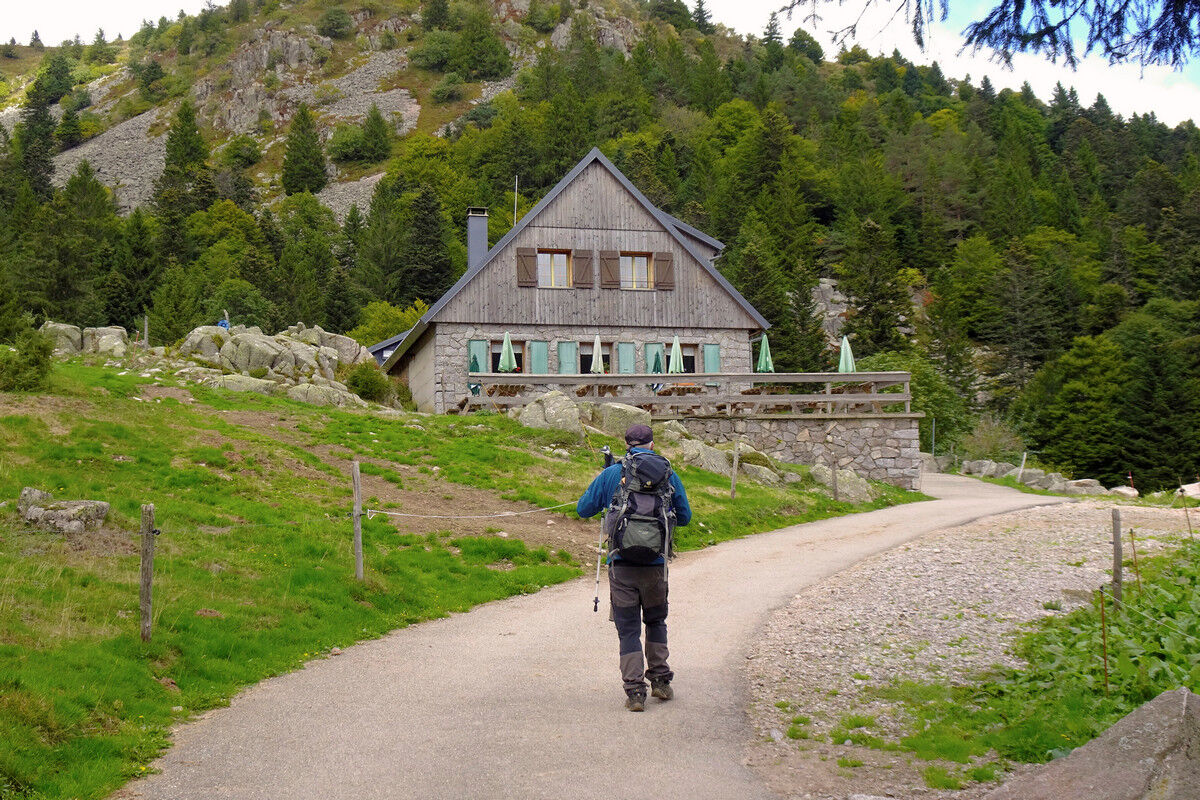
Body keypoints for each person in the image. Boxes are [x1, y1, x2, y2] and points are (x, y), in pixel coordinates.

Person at [577, 424, 691, 711]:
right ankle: (661, 682)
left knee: (628, 630)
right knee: (655, 621)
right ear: (652, 445)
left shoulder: (613, 473)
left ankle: (635, 692)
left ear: (626, 444)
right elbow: (686, 516)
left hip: (621, 564)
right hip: (655, 566)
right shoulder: (667, 473)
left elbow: (583, 509)